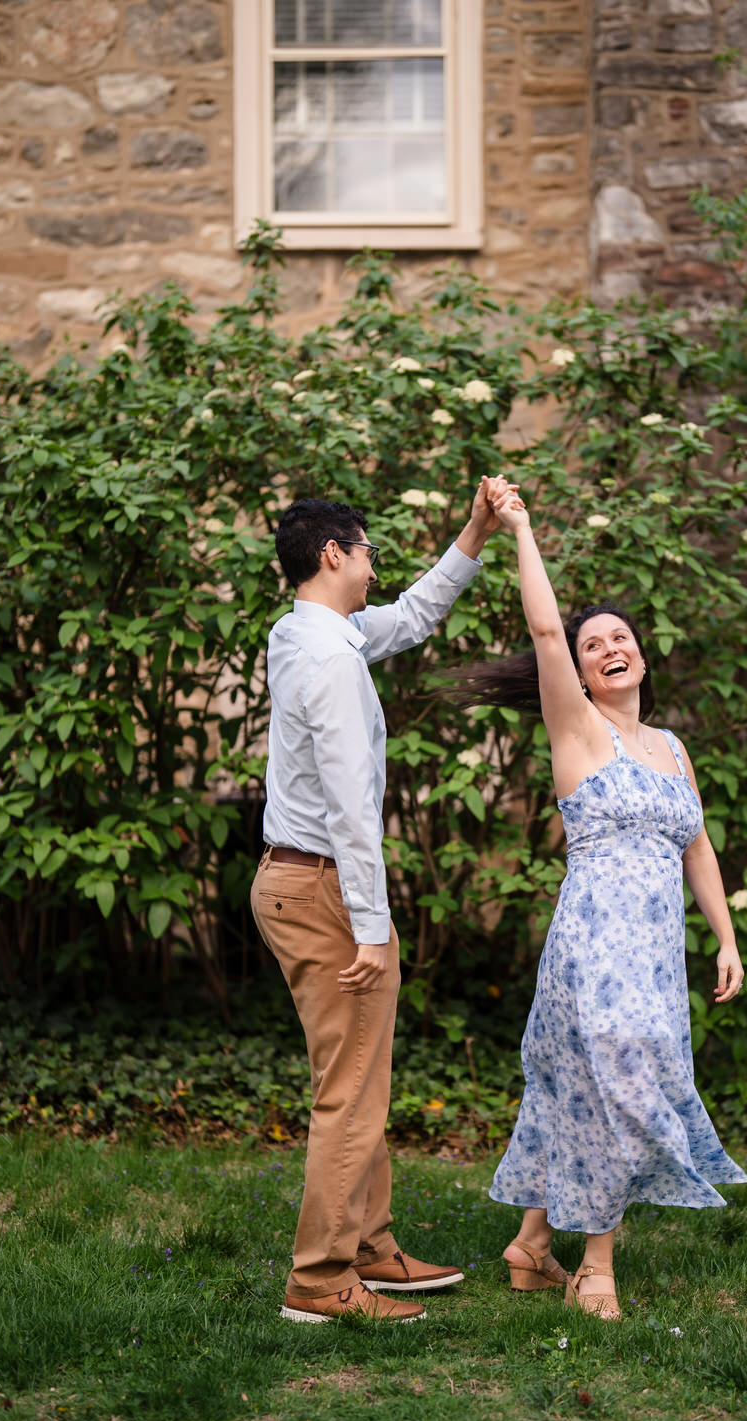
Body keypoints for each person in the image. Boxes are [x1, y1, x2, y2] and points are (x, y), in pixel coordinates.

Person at [464, 482, 747, 1319]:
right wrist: (518, 528)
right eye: (595, 645)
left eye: (621, 637)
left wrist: (726, 938)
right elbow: (545, 627)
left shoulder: (671, 746)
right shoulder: (579, 730)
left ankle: (529, 1246)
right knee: (615, 1085)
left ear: (642, 656)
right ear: (582, 670)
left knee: (580, 1089)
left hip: (657, 957)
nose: (608, 648)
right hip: (594, 947)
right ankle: (596, 1266)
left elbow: (696, 844)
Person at [252, 486, 500, 1324]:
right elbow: (353, 806)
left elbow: (416, 615)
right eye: (366, 553)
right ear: (334, 555)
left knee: (357, 1077)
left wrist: (473, 533)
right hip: (323, 886)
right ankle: (321, 1280)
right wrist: (369, 922)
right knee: (351, 1091)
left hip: (300, 879)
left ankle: (370, 1248)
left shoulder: (313, 632)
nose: (372, 566)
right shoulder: (327, 657)